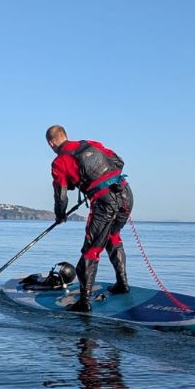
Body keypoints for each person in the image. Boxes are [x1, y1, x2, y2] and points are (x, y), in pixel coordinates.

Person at [46, 124, 134, 313]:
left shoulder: (59, 162)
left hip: (104, 202)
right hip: (126, 193)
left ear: (51, 143)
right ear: (66, 136)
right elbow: (119, 162)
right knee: (112, 236)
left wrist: (60, 215)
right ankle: (122, 283)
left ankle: (84, 302)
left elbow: (61, 195)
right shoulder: (90, 143)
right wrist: (99, 181)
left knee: (91, 250)